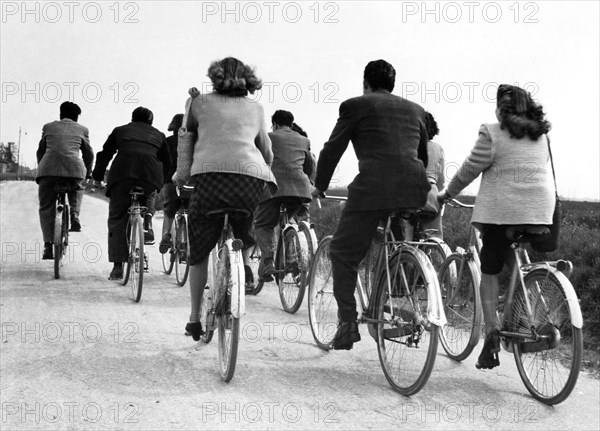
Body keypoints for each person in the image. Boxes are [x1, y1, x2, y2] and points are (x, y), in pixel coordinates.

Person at [311, 59, 430, 350]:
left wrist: (321, 186)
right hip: (415, 189)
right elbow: (423, 157)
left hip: (373, 188)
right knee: (395, 243)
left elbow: (331, 150)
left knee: (342, 253)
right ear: (392, 84)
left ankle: (348, 324)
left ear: (365, 82)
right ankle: (394, 291)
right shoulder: (416, 110)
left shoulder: (355, 105)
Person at [437, 84, 553, 370]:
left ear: (501, 108)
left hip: (505, 213)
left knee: (489, 270)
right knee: (513, 260)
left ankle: (491, 334)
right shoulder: (541, 135)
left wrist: (447, 194)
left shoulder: (492, 132)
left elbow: (469, 169)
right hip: (539, 212)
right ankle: (526, 315)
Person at [173, 57, 276, 340]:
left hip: (209, 178)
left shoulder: (199, 102)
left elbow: (186, 138)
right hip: (250, 179)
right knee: (245, 227)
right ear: (248, 78)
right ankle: (240, 270)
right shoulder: (256, 107)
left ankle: (194, 318)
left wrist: (183, 176)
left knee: (200, 251)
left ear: (215, 76)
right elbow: (266, 151)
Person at [92, 107, 171, 280]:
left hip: (122, 176)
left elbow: (104, 154)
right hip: (149, 177)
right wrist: (161, 182)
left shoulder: (120, 131)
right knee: (149, 194)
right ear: (151, 121)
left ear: (132, 119)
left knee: (117, 218)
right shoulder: (158, 135)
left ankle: (117, 267)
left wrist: (97, 177)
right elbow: (168, 161)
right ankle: (148, 220)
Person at [254, 110, 313, 282]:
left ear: (275, 124)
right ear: (291, 123)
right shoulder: (303, 140)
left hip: (274, 188)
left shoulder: (268, 137)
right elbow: (309, 166)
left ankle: (267, 262)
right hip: (300, 190)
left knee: (263, 225)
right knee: (288, 221)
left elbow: (258, 160)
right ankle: (292, 256)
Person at [36, 101, 94, 259]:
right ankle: (75, 215)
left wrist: (42, 167)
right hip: (73, 170)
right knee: (78, 187)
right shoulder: (82, 129)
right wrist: (88, 173)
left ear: (60, 114)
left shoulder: (48, 127)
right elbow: (89, 154)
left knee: (46, 205)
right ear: (76, 117)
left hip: (48, 170)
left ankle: (48, 245)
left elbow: (41, 151)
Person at [406, 111, 446, 240]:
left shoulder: (410, 147)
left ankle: (404, 258)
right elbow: (441, 180)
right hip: (432, 192)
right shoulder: (438, 148)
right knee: (434, 236)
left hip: (412, 192)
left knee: (407, 238)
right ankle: (438, 257)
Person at [158, 113, 185, 254]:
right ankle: (189, 241)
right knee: (193, 212)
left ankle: (166, 235)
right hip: (193, 184)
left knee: (169, 211)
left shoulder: (167, 142)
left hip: (171, 184)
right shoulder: (194, 142)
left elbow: (160, 164)